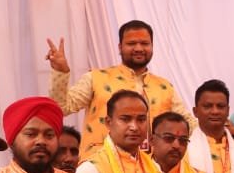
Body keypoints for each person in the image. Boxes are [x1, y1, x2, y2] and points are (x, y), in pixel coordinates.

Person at [46, 21, 194, 160]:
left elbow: (189, 125)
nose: (138, 48)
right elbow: (62, 108)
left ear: (152, 46)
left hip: (150, 170)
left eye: (144, 43)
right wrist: (60, 72)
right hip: (101, 167)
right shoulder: (96, 78)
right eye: (131, 43)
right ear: (120, 47)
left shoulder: (164, 87)